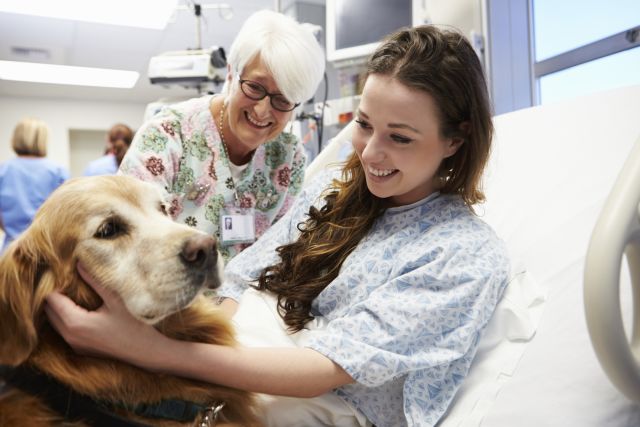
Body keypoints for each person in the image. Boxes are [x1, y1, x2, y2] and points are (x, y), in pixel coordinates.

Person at [46, 25, 510, 427]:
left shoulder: (461, 254)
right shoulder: (332, 190)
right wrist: (192, 339)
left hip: (310, 396)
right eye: (365, 126)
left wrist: (151, 351)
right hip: (233, 344)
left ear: (456, 138)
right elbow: (247, 273)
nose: (369, 154)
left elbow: (324, 370)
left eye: (400, 138)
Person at [118, 10, 325, 261]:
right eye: (254, 87)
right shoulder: (166, 136)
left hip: (248, 297)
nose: (262, 110)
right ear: (231, 73)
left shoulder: (288, 159)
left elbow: (281, 250)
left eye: (282, 99)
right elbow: (128, 237)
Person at [0, 118, 69, 253]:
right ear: (42, 140)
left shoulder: (3, 170)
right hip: (46, 250)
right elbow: (64, 216)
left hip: (11, 250)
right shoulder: (58, 172)